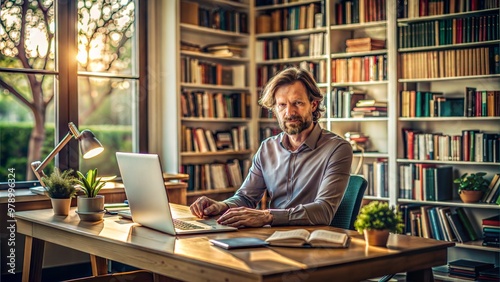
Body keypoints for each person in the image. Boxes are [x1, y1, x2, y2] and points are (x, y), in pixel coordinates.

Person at [190, 67, 353, 228]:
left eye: (297, 103)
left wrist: (267, 216)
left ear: (314, 104)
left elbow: (324, 211)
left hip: (312, 241)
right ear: (274, 110)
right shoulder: (267, 148)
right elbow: (246, 198)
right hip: (271, 237)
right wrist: (221, 206)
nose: (289, 112)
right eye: (282, 105)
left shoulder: (337, 149)